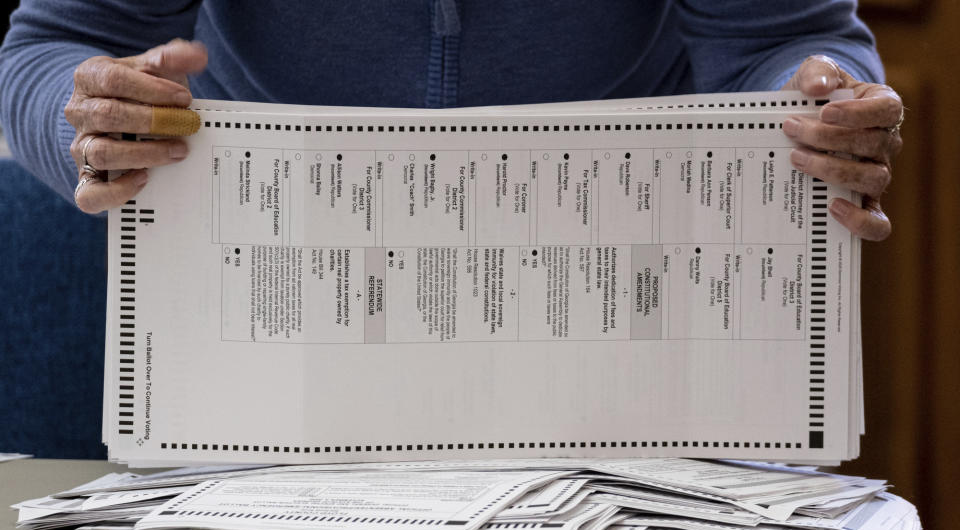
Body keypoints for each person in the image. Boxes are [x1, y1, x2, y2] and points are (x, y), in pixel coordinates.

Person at [0, 0, 900, 241]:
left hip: (630, 276)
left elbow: (789, 36)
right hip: (280, 283)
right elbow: (58, 43)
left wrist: (824, 103)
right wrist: (90, 115)